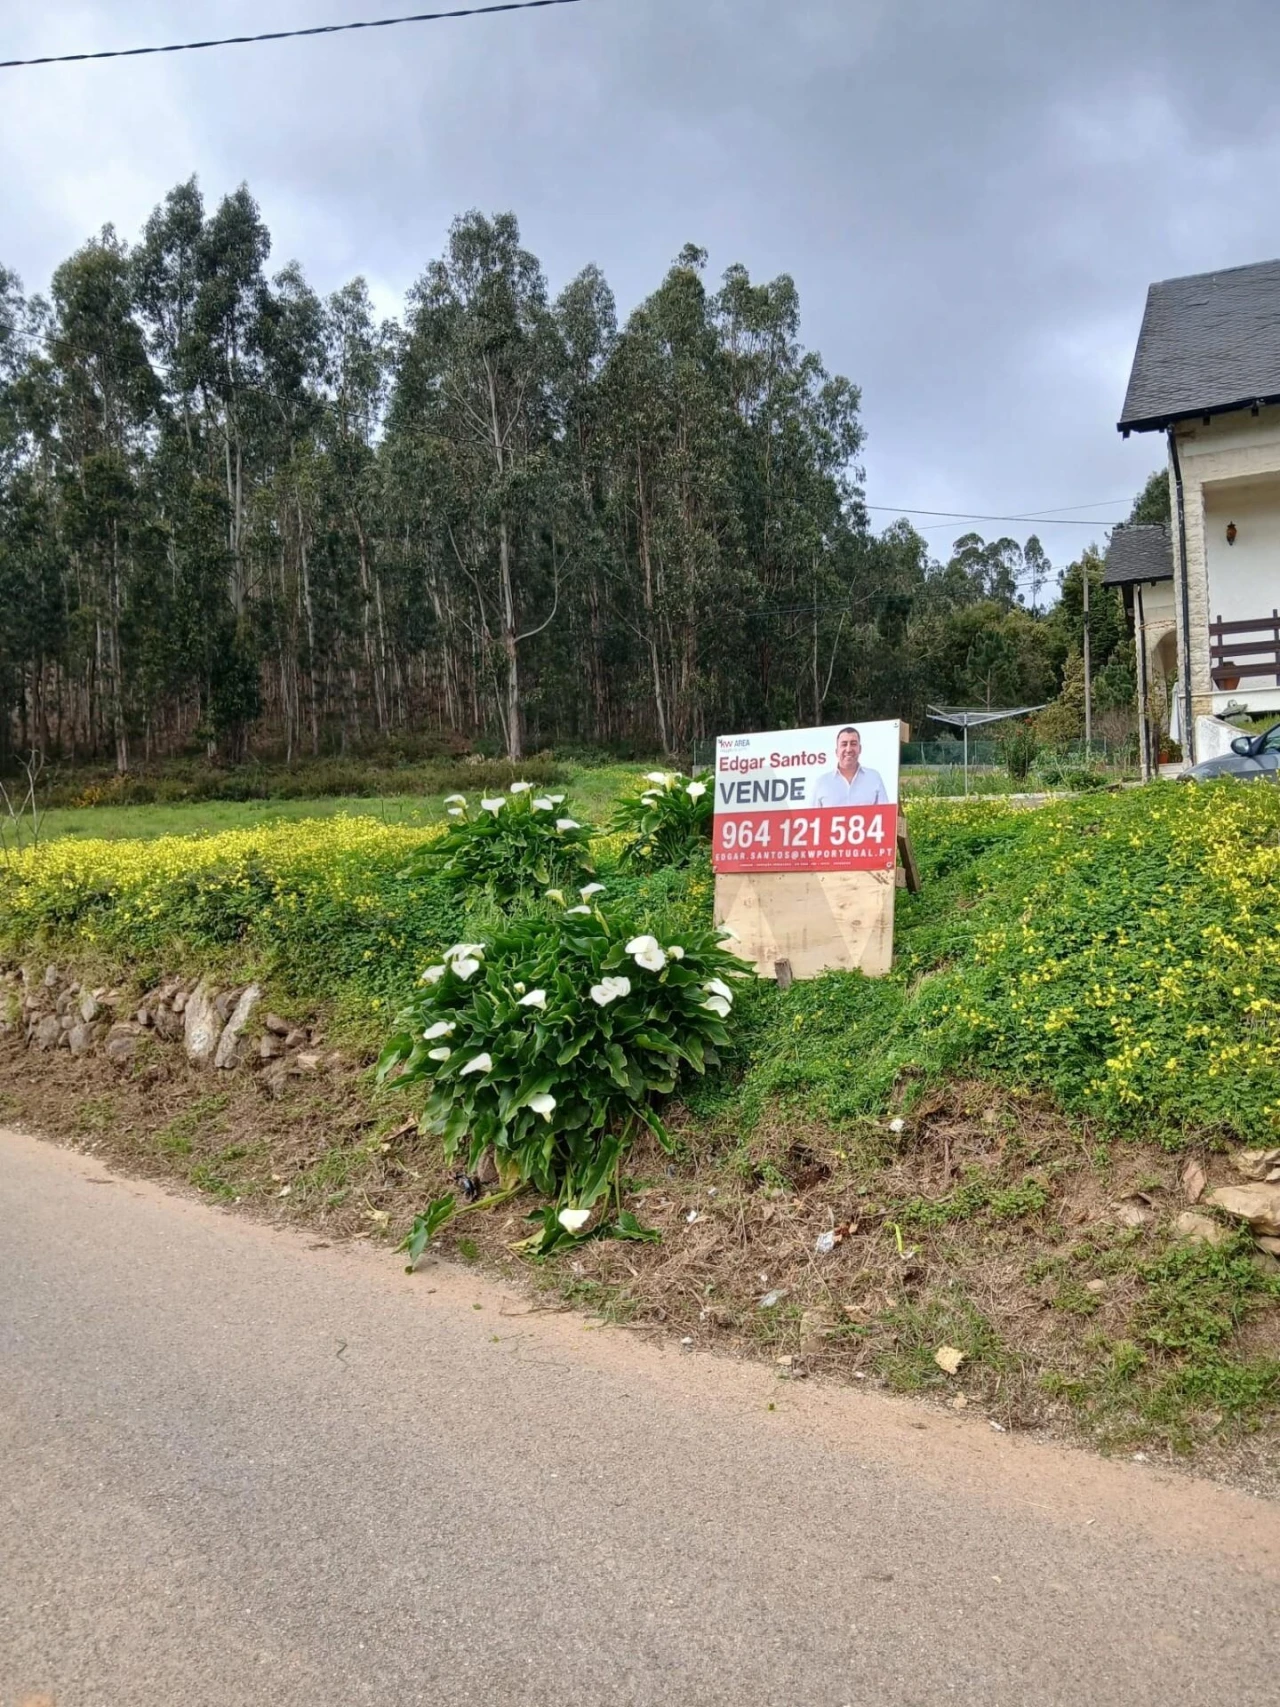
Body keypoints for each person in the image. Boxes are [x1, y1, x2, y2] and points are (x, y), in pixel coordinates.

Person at [813, 726, 888, 806]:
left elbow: (885, 814)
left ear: (860, 749)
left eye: (853, 744)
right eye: (844, 744)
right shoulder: (821, 782)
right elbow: (811, 816)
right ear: (836, 751)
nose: (848, 749)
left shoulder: (874, 777)